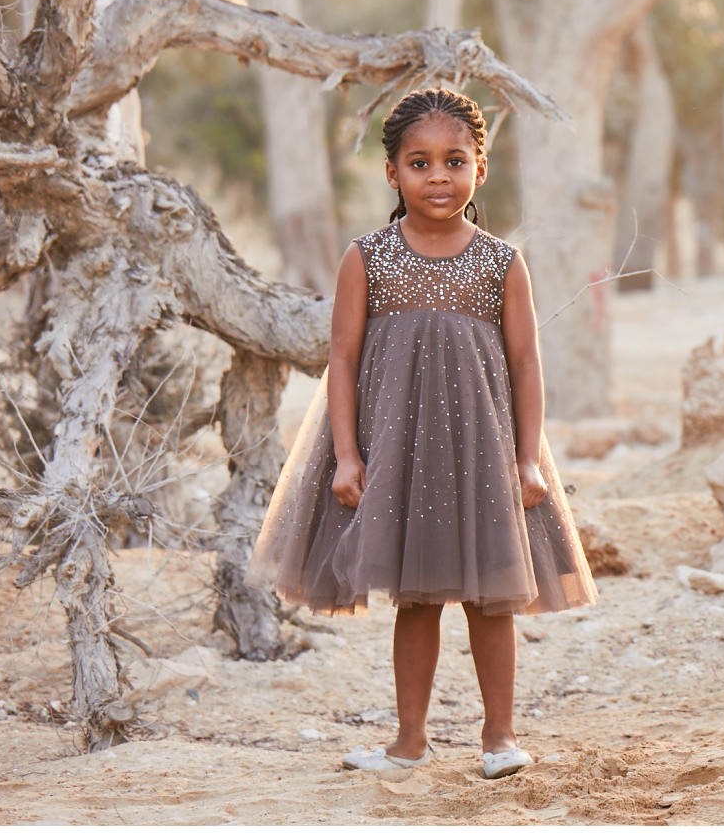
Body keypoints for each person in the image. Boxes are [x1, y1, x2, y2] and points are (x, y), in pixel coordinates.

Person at [246, 87, 597, 780]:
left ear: (480, 170)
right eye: (419, 163)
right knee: (417, 598)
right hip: (397, 454)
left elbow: (526, 362)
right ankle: (409, 743)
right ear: (392, 173)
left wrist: (529, 459)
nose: (438, 177)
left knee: (493, 596)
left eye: (454, 161)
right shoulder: (368, 257)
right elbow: (340, 360)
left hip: (483, 454)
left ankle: (500, 740)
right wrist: (346, 455)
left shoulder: (501, 263)